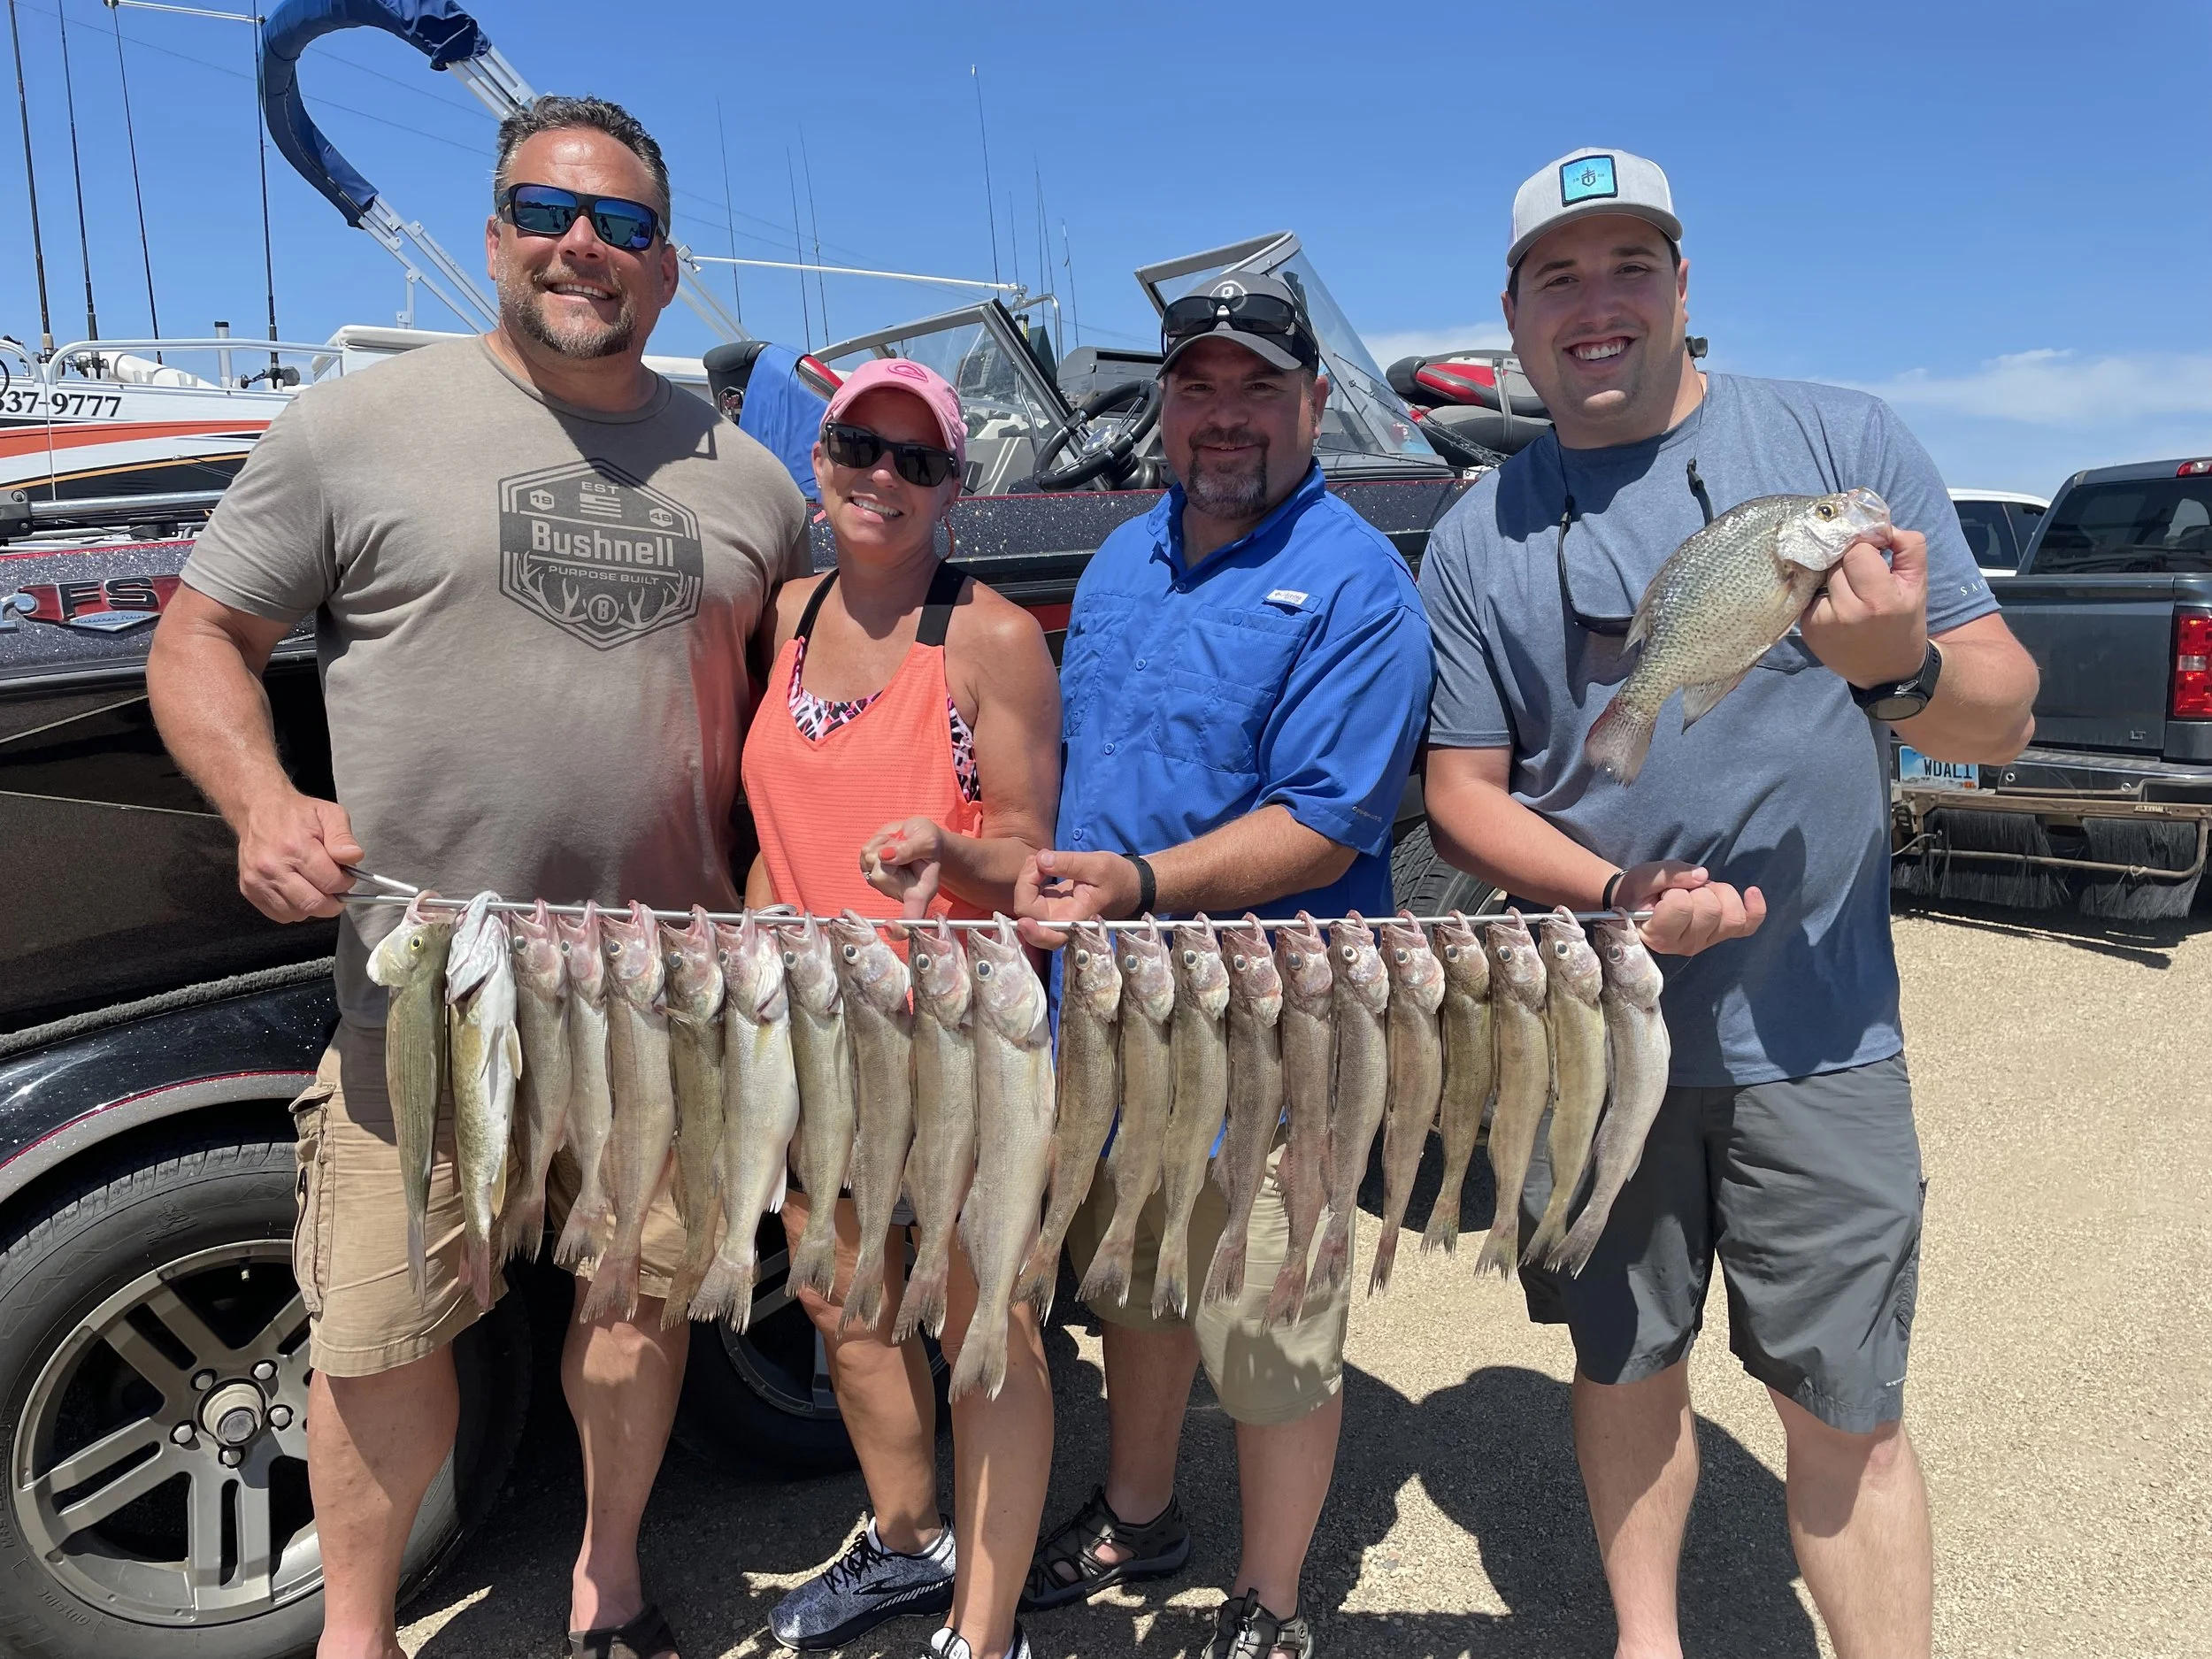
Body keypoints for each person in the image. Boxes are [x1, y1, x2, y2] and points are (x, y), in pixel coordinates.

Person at [147, 96, 810, 1659]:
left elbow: (801, 727)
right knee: (381, 1334)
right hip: (421, 999)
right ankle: (356, 1632)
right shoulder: (351, 430)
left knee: (639, 1309)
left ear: (667, 267)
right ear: (499, 235)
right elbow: (201, 635)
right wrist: (261, 802)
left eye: (624, 224)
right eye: (549, 213)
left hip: (661, 1005)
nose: (585, 245)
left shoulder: (755, 487)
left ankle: (610, 1577)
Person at [1417, 148, 2039, 1659]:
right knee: (1625, 1365)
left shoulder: (1840, 442)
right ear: (1514, 313)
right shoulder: (1481, 531)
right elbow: (1463, 793)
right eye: (1559, 276)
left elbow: (2007, 712)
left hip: (1818, 1037)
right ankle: (1652, 1642)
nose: (1598, 303)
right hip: (1594, 1040)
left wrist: (1897, 668)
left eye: (1631, 264)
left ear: (1686, 284)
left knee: (1846, 1409)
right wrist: (1614, 893)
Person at [1011, 272, 1433, 1659]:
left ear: (1315, 403)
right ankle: (1140, 1512)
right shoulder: (1121, 561)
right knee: (1136, 1285)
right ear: (1165, 408)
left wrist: (1135, 887)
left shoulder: (1359, 585)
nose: (1227, 416)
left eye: (1260, 387)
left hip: (1276, 1032)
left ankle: (1272, 1596)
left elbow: (1323, 825)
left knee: (1270, 1325)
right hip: (1114, 1022)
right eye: (1200, 388)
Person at [741, 356, 1064, 1659]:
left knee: (989, 1323)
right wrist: (758, 924)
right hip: (813, 1028)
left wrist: (952, 849)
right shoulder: (787, 610)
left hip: (959, 1029)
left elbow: (1033, 855)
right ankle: (909, 1538)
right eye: (859, 449)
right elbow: (776, 824)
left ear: (952, 486)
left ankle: (986, 1629)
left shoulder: (988, 638)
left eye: (916, 459)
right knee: (843, 1294)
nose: (883, 477)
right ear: (819, 462)